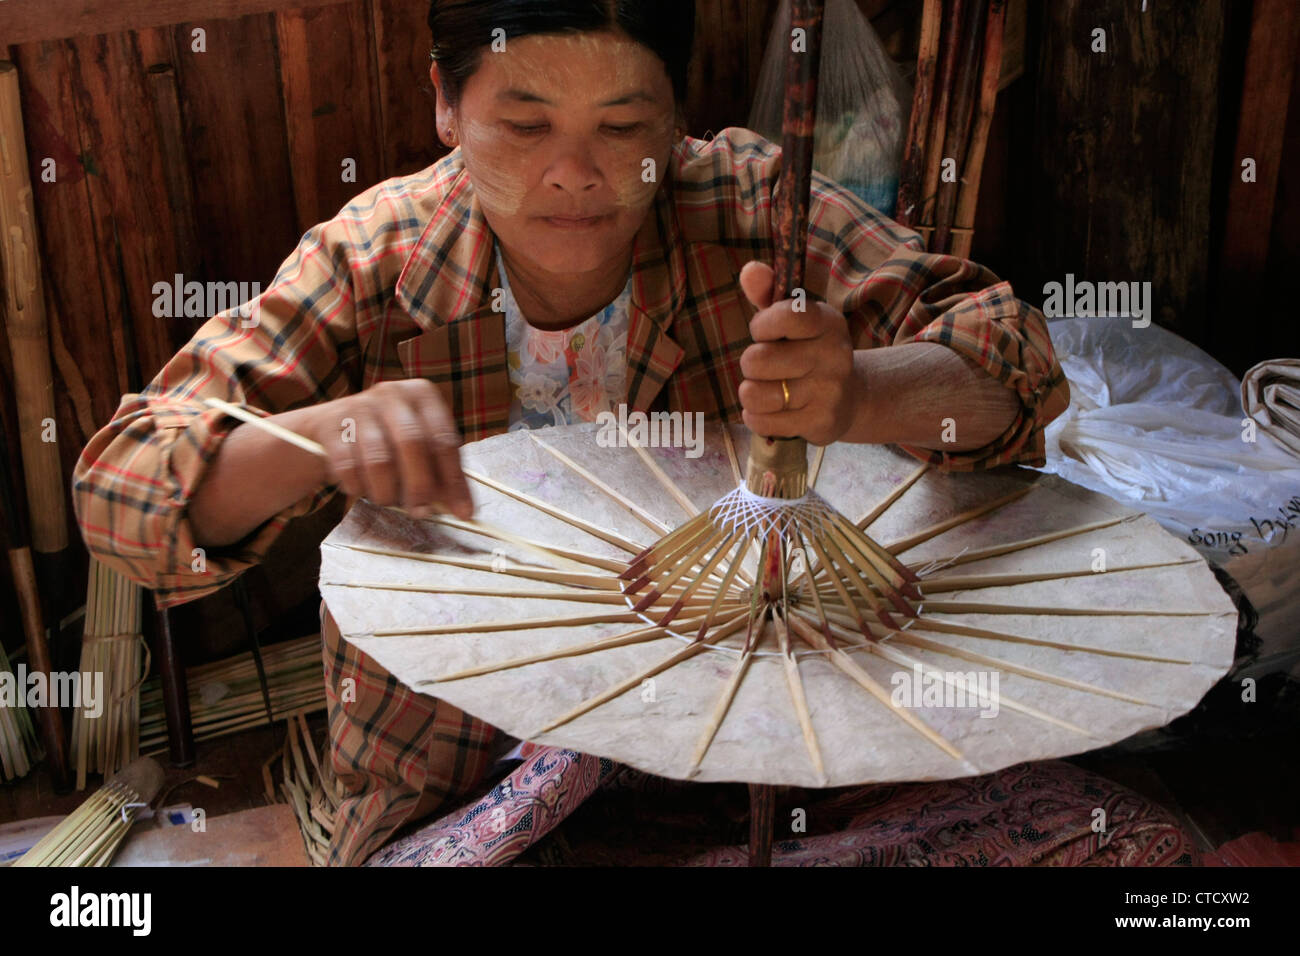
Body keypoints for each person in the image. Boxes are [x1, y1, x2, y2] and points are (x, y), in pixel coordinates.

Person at [73, 0, 1074, 865]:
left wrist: (859, 392)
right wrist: (318, 439)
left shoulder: (751, 211)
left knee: (1078, 823)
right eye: (524, 123)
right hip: (459, 774)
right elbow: (124, 488)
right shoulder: (377, 262)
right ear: (444, 104)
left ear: (675, 116)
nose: (573, 173)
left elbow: (1014, 362)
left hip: (733, 742)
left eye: (622, 123)